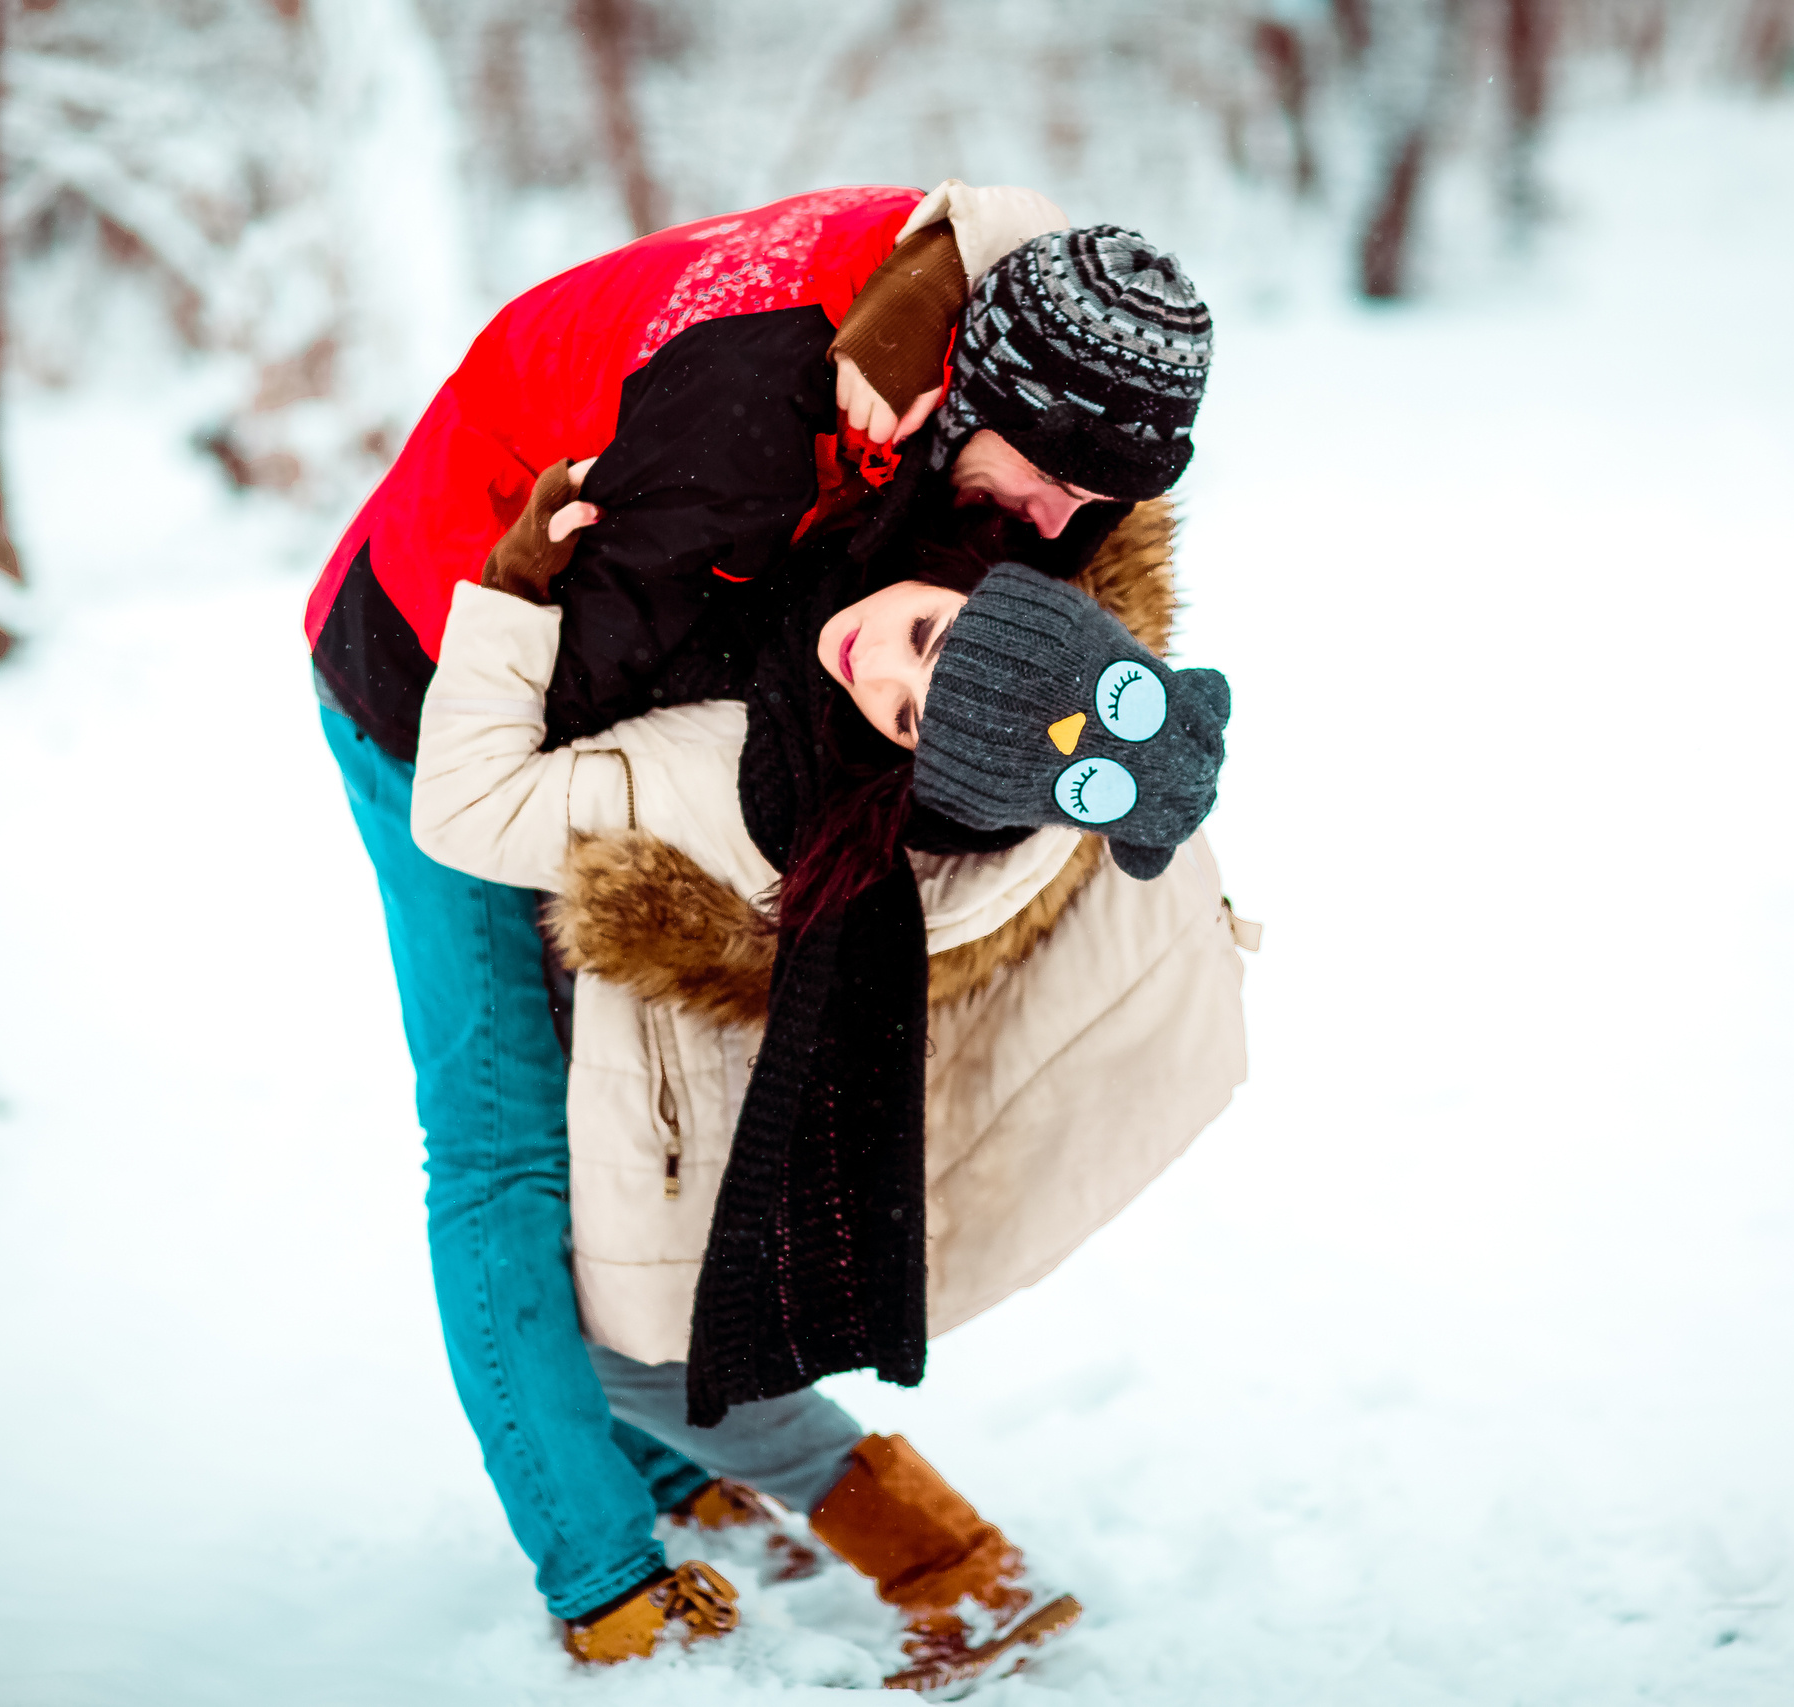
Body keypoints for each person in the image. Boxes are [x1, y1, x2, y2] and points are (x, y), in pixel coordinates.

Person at [308, 180, 1220, 1670]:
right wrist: (776, 819)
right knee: (508, 1143)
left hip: (704, 692)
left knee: (634, 1139)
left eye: (1096, 499)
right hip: (441, 670)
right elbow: (512, 772)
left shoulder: (1038, 324)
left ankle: (681, 1467)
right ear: (974, 392)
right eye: (1050, 477)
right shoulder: (732, 440)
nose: (1062, 522)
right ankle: (606, 1575)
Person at [414, 474, 1245, 1684]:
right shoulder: (949, 754)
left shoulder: (733, 775)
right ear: (974, 577)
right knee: (643, 1358)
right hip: (706, 1102)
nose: (876, 668)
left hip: (691, 1118)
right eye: (923, 638)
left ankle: (958, 1566)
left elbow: (465, 810)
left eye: (907, 715)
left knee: (631, 1360)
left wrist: (514, 590)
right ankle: (912, 1549)